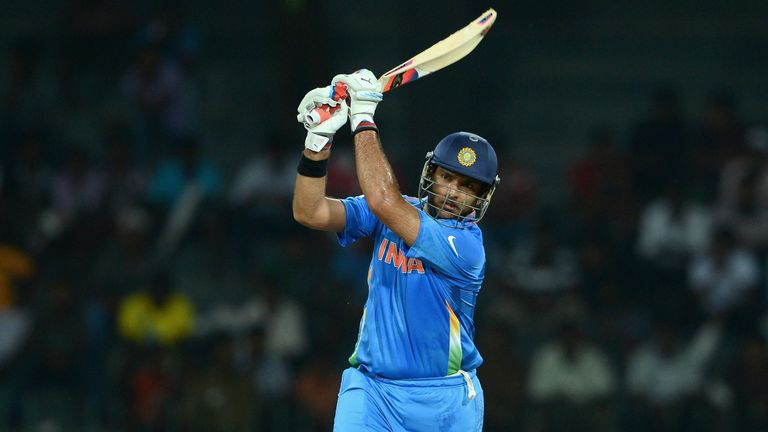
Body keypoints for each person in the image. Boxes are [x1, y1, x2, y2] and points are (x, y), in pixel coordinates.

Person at [292, 69, 500, 431]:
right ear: (430, 173)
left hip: (445, 399)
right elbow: (309, 211)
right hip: (372, 392)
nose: (452, 192)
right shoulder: (394, 210)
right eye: (447, 177)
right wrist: (318, 141)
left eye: (467, 186)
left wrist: (363, 116)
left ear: (482, 197)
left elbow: (381, 199)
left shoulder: (467, 247)